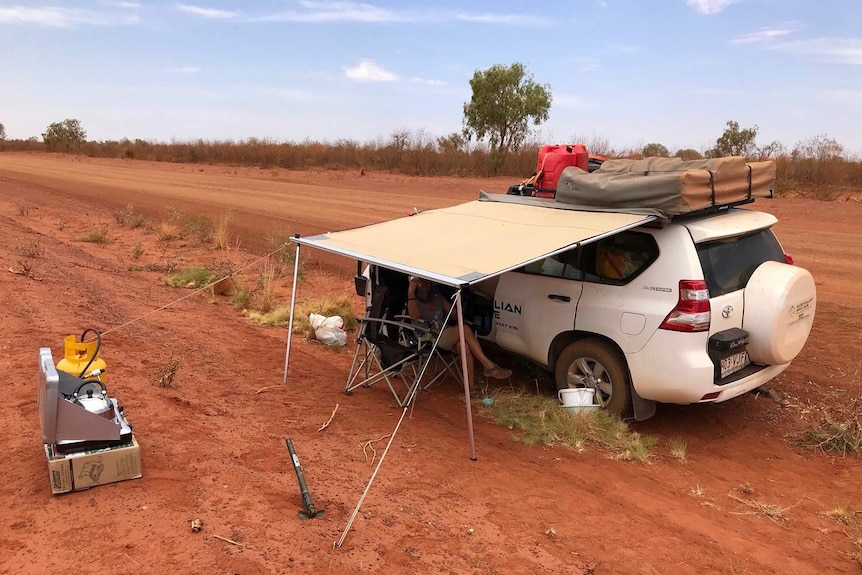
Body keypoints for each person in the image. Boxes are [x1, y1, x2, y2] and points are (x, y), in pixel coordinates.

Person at [406, 277, 512, 388]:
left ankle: (470, 388)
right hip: (427, 335)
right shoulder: (413, 300)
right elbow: (414, 315)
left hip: (443, 332)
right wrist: (410, 292)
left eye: (426, 280)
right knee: (465, 329)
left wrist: (457, 313)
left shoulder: (438, 298)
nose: (425, 283)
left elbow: (455, 313)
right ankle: (488, 366)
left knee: (464, 346)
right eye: (420, 281)